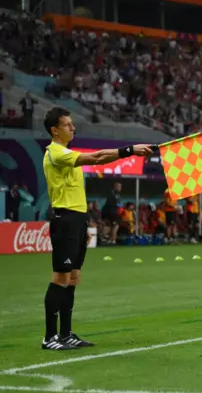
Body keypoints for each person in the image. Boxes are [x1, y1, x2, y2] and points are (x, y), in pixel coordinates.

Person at [41, 106, 153, 350]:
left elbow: (99, 159)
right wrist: (130, 150)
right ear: (55, 130)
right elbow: (97, 158)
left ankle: (66, 334)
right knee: (60, 276)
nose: (73, 127)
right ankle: (50, 337)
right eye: (68, 125)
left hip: (78, 219)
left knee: (73, 277)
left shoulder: (66, 153)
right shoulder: (55, 153)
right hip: (65, 220)